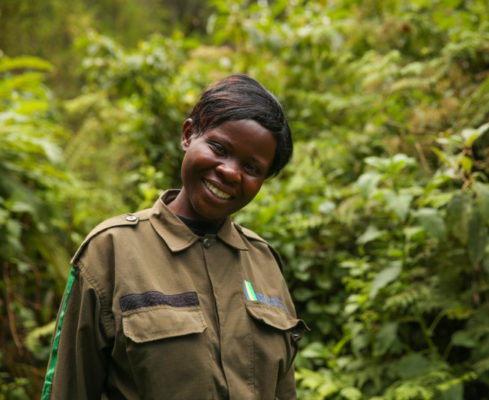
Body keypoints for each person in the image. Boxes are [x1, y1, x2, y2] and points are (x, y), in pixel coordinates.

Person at [42, 74, 307, 400]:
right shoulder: (110, 251)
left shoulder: (264, 263)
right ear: (187, 135)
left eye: (252, 168)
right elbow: (69, 389)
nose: (230, 171)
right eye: (219, 148)